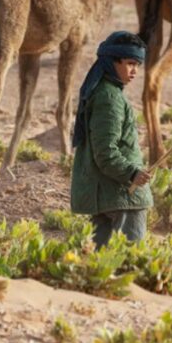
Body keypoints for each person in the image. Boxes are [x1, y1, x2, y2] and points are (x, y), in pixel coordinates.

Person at [70, 30, 152, 247]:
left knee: (101, 268)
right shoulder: (109, 97)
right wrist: (132, 173)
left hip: (108, 195)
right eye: (130, 63)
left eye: (138, 65)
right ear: (112, 62)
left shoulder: (105, 91)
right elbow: (105, 151)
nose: (134, 71)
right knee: (129, 262)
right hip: (121, 195)